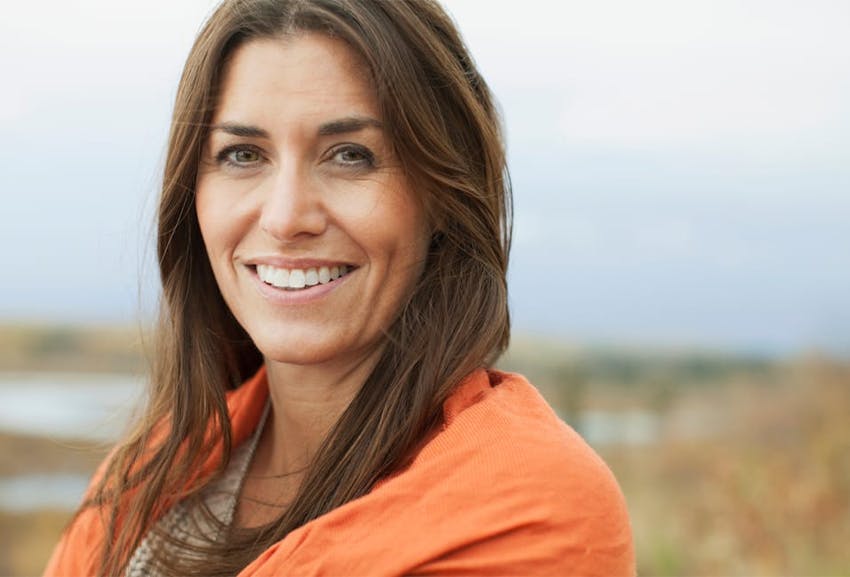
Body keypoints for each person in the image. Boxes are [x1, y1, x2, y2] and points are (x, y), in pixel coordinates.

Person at [45, 0, 634, 575]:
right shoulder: (152, 471)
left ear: (443, 198)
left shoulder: (526, 507)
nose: (284, 216)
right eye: (243, 154)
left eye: (350, 155)